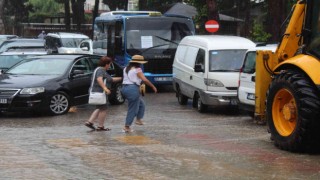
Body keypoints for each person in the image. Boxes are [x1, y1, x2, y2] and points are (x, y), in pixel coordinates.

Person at [121, 55, 157, 133]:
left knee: (141, 104)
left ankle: (138, 119)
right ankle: (127, 126)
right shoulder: (138, 69)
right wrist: (153, 86)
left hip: (124, 88)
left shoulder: (126, 68)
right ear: (139, 63)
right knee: (133, 108)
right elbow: (145, 80)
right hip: (132, 89)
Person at [85, 56, 122, 131]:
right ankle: (100, 126)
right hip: (99, 92)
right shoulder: (101, 70)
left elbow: (111, 79)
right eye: (109, 64)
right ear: (106, 64)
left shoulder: (101, 70)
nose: (109, 66)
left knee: (99, 107)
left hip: (97, 91)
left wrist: (122, 78)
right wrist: (105, 88)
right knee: (103, 109)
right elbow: (99, 79)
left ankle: (90, 122)